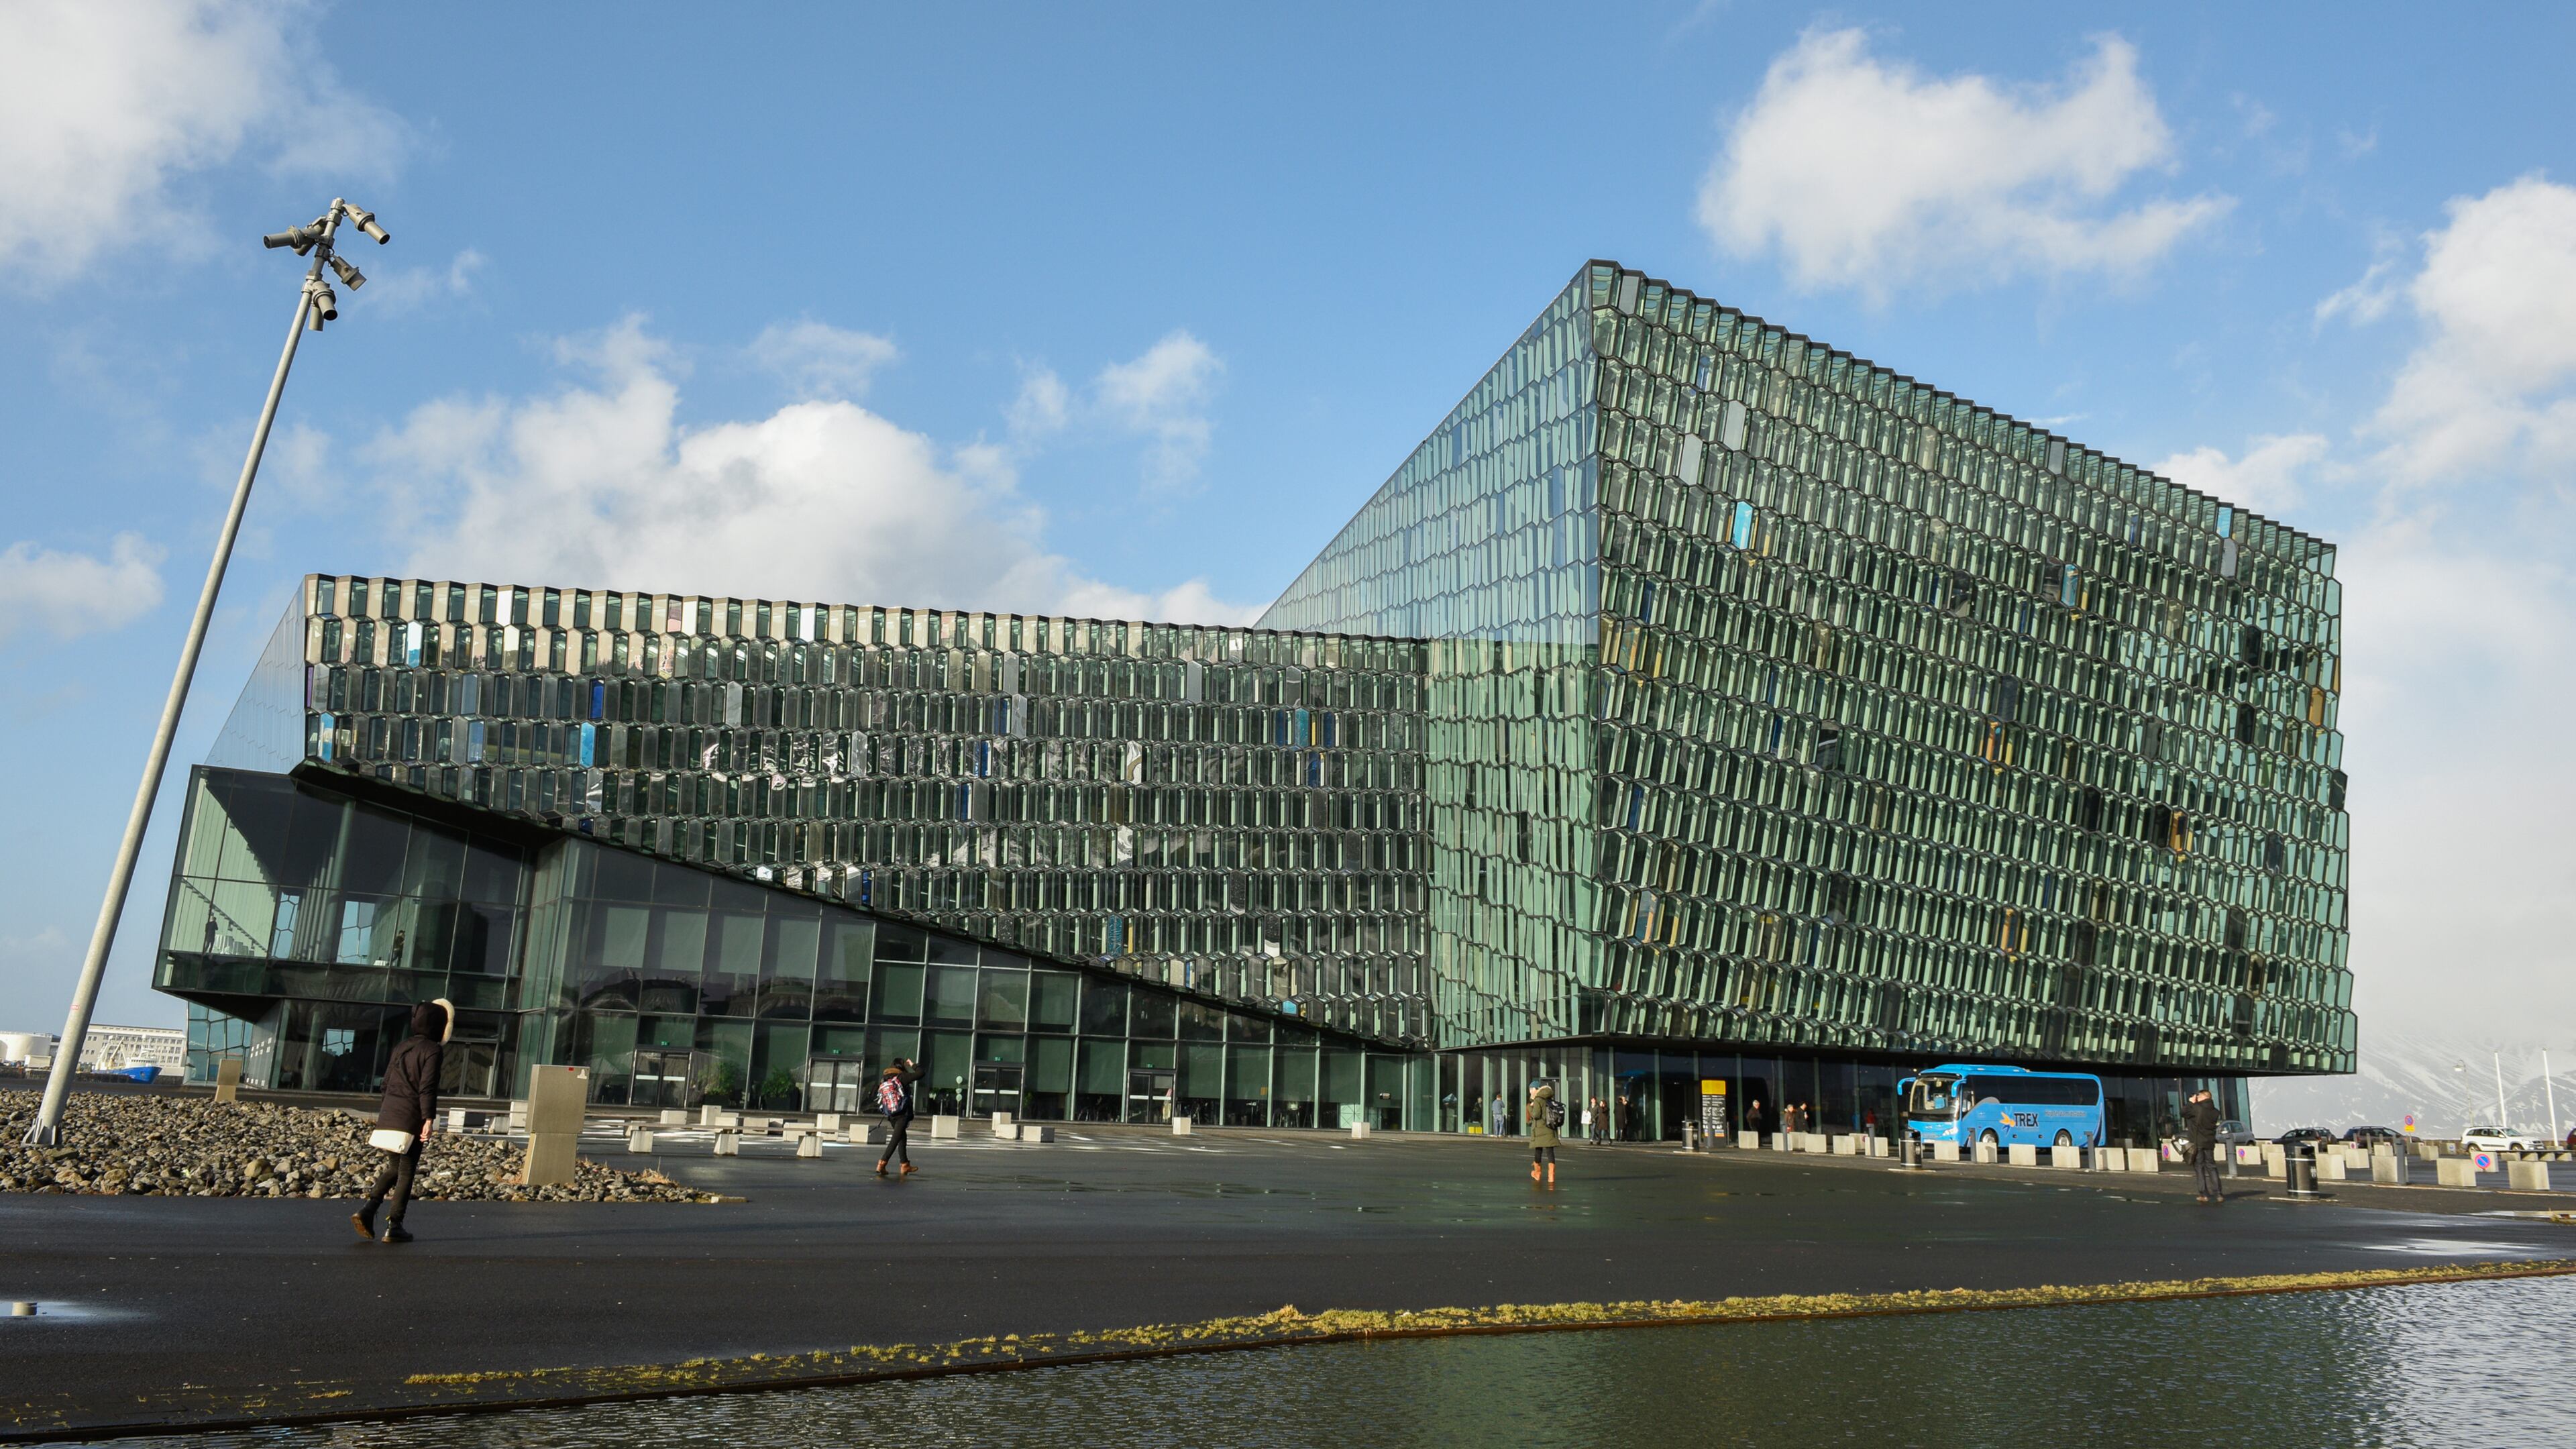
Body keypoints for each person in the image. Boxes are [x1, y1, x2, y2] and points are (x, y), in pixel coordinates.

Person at [354, 998, 451, 1244]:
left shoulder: (402, 1046)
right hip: (411, 1116)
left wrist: (387, 1110)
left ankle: (367, 1210)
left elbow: (385, 1084)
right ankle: (394, 1225)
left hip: (390, 1114)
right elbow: (427, 1088)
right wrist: (428, 1118)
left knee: (395, 1168)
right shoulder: (432, 1050)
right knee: (406, 1171)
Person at [876, 1056, 922, 1177]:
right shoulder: (901, 1077)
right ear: (901, 1067)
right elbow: (921, 1073)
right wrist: (913, 1064)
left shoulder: (884, 1078)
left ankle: (905, 1165)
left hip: (891, 1114)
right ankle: (882, 1163)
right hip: (902, 1114)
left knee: (902, 1137)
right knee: (895, 1139)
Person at [2184, 1087, 2223, 1204]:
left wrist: (2191, 1102)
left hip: (2197, 1143)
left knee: (2199, 1168)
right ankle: (2219, 1193)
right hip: (2209, 1142)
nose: (2197, 1098)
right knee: (2212, 1167)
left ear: (2205, 1097)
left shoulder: (2196, 1108)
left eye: (2199, 1096)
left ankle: (2203, 1193)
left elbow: (2183, 1112)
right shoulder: (2215, 1111)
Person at [1527, 1079, 1562, 1185]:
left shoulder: (1538, 1099)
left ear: (1536, 1089)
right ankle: (1551, 1176)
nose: (1530, 1091)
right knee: (1550, 1152)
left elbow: (1536, 1115)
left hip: (1540, 1129)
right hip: (1550, 1128)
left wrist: (1530, 1107)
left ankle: (1537, 1174)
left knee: (1538, 1150)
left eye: (1531, 1089)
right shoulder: (1548, 1097)